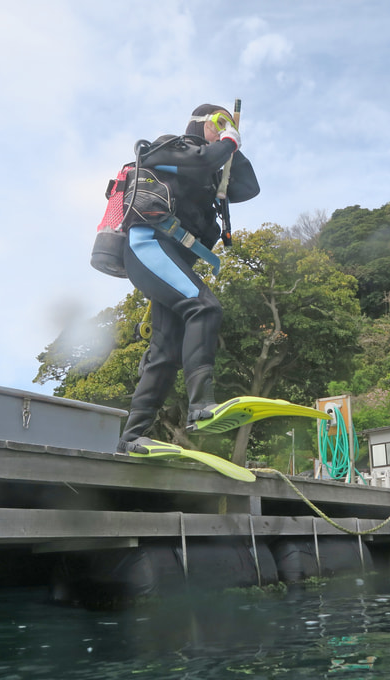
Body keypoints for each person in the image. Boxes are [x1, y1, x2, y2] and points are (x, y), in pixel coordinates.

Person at [116, 104, 259, 454]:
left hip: (172, 258)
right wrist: (227, 142)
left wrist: (233, 148)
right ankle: (201, 406)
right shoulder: (169, 148)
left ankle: (131, 438)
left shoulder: (211, 175)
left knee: (165, 351)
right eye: (219, 122)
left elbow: (249, 188)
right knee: (204, 307)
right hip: (148, 245)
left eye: (229, 125)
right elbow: (201, 159)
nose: (224, 129)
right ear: (198, 125)